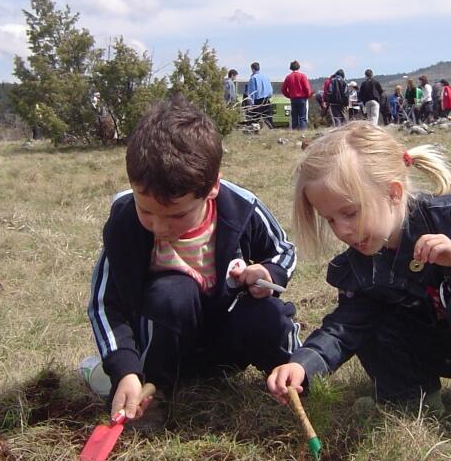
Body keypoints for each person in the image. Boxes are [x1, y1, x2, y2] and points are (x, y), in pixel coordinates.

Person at [266, 122, 451, 452]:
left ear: (393, 193)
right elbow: (344, 328)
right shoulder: (358, 266)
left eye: (350, 213)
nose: (343, 230)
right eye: (330, 219)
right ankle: (411, 397)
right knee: (369, 316)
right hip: (430, 347)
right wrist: (304, 363)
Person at [86, 94, 300, 426]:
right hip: (165, 348)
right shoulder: (125, 224)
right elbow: (105, 304)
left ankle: (292, 379)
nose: (159, 226)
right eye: (147, 211)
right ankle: (153, 393)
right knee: (171, 293)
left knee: (268, 313)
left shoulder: (241, 209)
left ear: (212, 188)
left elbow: (283, 250)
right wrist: (126, 369)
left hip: (230, 340)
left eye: (175, 215)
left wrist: (269, 272)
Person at [281, 60, 311, 130]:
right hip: (302, 98)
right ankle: (303, 131)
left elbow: (283, 89)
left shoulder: (288, 77)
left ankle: (295, 130)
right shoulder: (302, 76)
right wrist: (307, 95)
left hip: (293, 99)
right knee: (302, 117)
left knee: (294, 117)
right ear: (298, 67)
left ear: (291, 67)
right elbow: (307, 87)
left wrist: (289, 95)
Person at [245, 61, 273, 128]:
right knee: (268, 119)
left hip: (258, 101)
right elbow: (270, 90)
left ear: (252, 69)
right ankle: (271, 130)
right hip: (266, 100)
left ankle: (251, 131)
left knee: (253, 118)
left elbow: (252, 92)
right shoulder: (266, 77)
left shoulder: (253, 78)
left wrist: (251, 104)